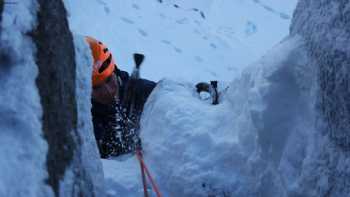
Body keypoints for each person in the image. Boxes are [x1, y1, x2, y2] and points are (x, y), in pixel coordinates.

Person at [86, 36, 156, 158]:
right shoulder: (85, 121)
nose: (107, 91)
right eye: (96, 88)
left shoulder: (142, 92)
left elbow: (169, 97)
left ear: (114, 69)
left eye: (108, 80)